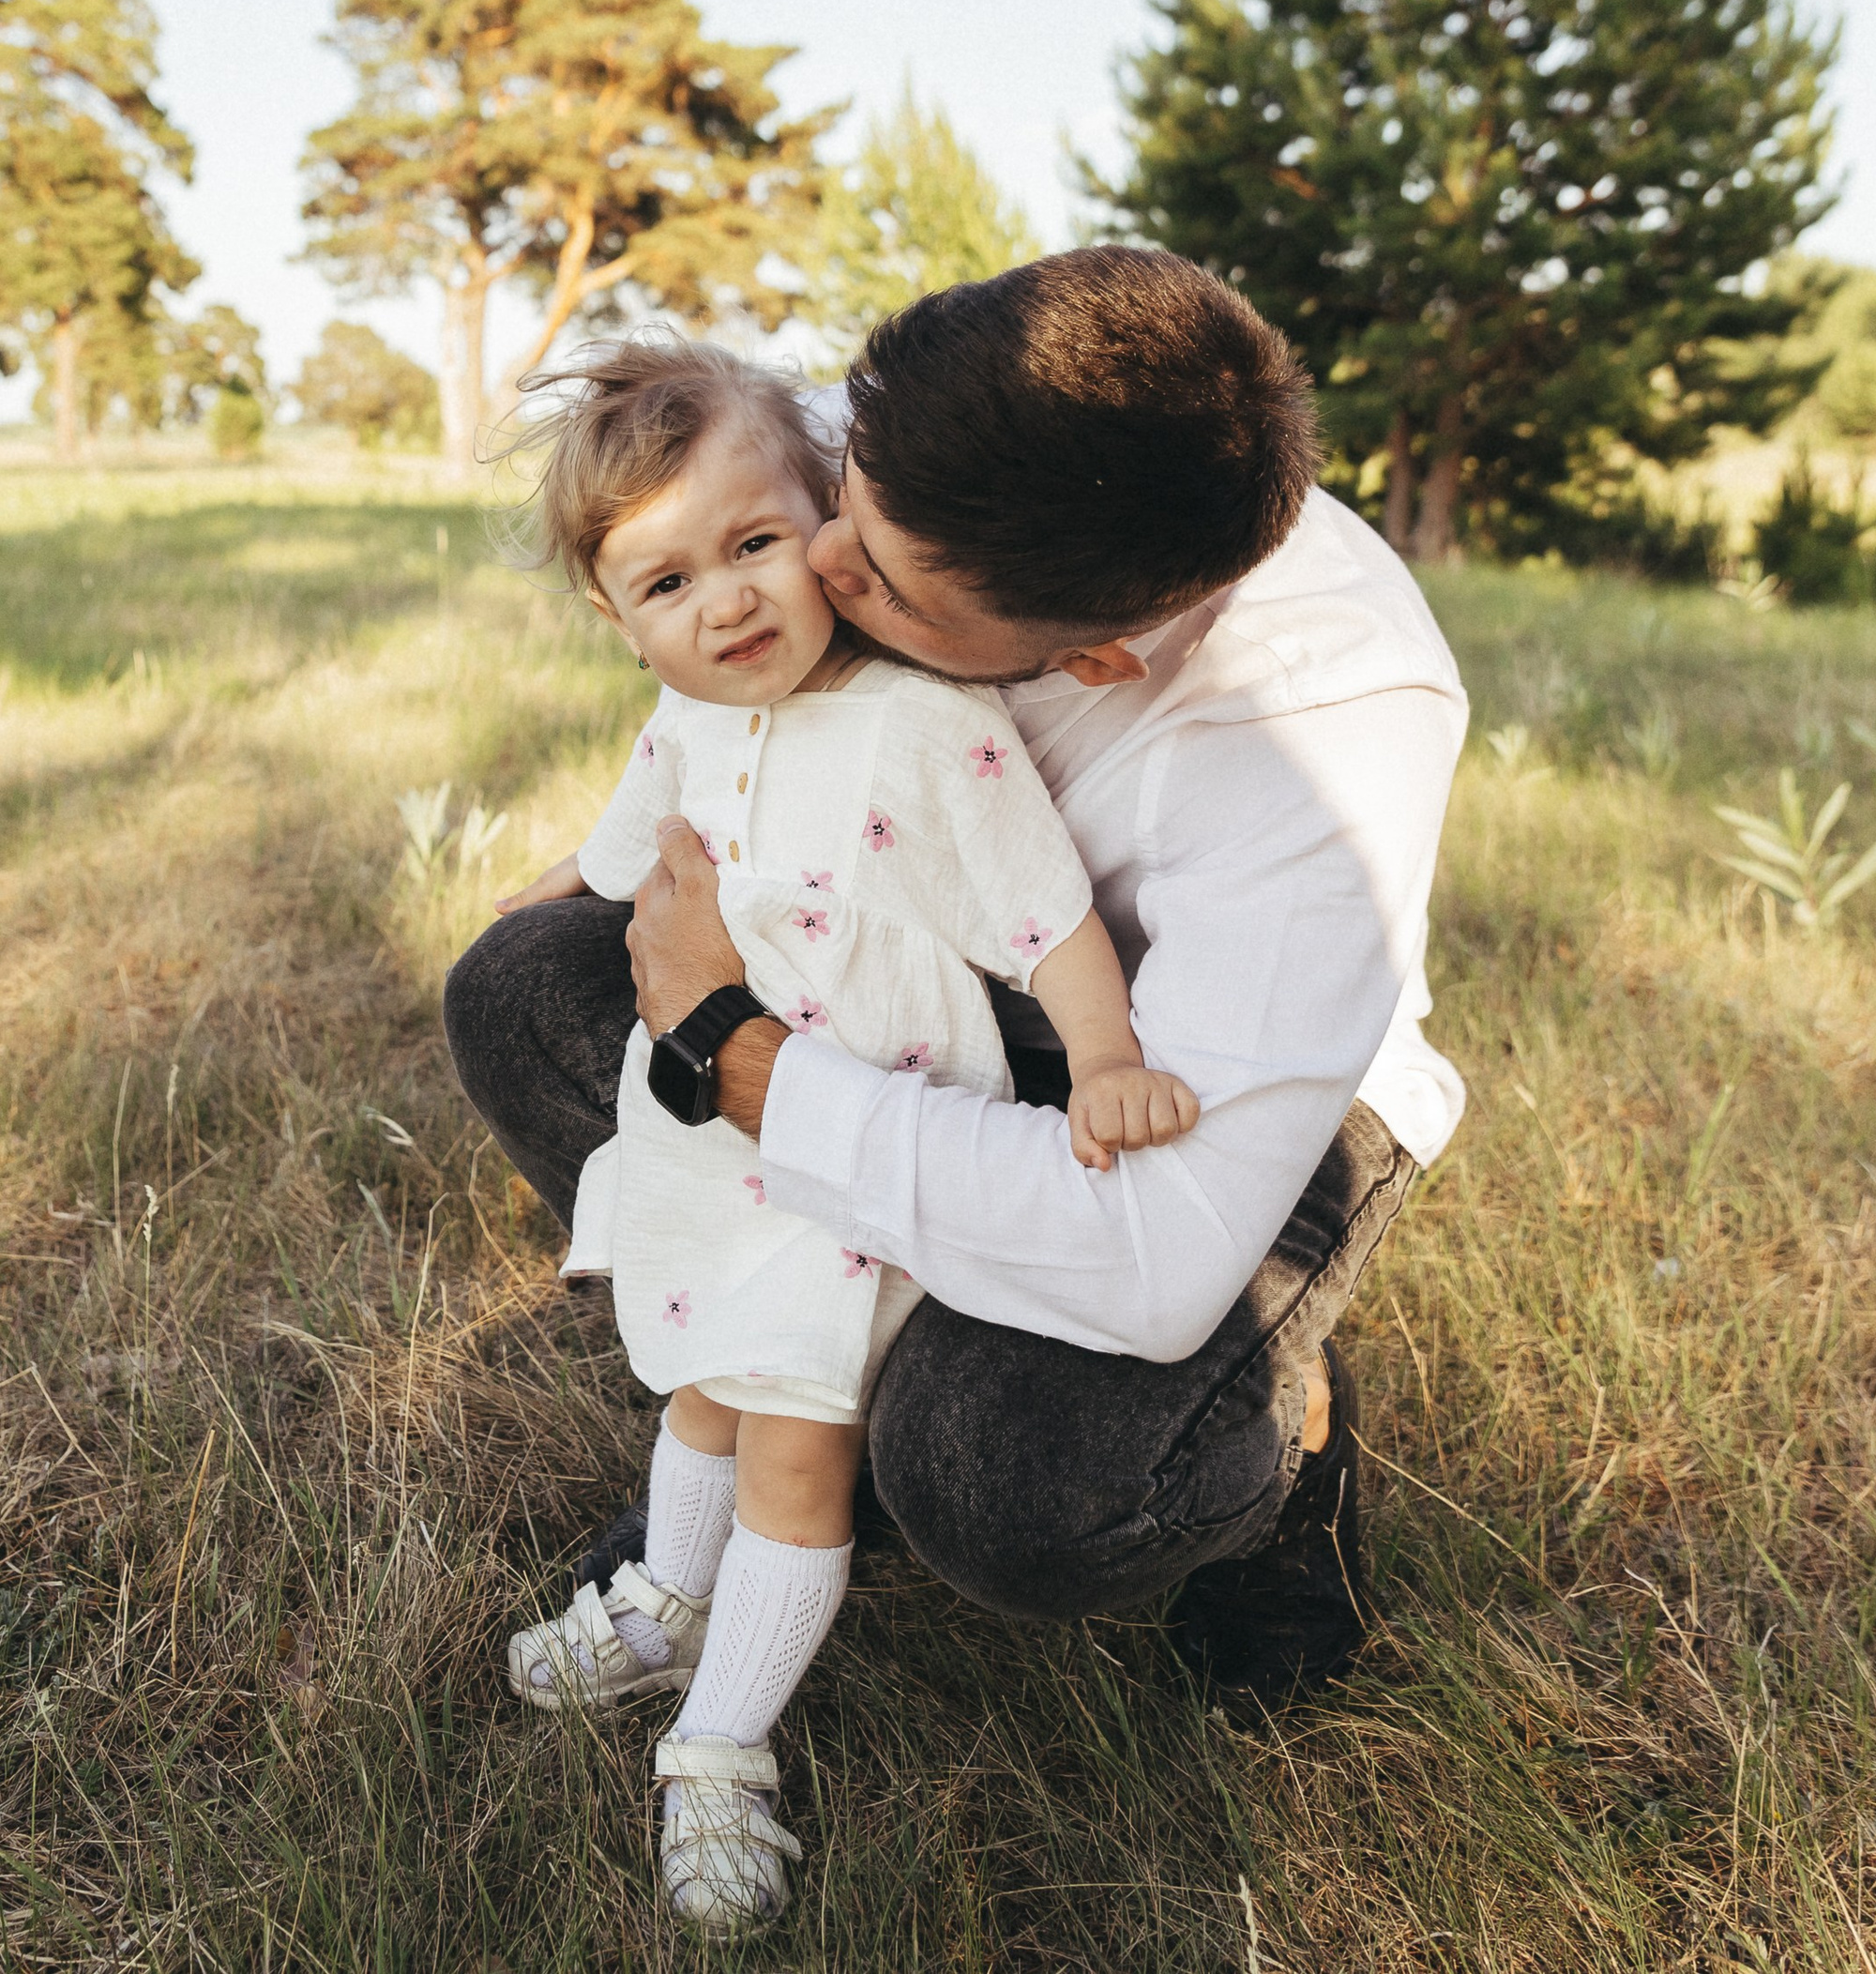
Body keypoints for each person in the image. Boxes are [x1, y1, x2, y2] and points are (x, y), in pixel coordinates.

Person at [447, 247, 1466, 1805]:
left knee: (1010, 1480)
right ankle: (786, 1388)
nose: (820, 566)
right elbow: (713, 660)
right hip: (892, 967)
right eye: (840, 492)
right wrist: (577, 893)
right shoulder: (969, 425)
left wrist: (738, 1060)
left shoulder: (1328, 746)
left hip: (1178, 1085)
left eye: (883, 578)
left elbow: (1152, 1253)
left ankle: (1284, 1435)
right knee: (523, 993)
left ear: (1095, 661)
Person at [489, 332, 1199, 1933]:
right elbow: (617, 854)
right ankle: (674, 1598)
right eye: (666, 585)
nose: (724, 603)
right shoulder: (684, 723)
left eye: (753, 545)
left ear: (822, 518)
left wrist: (1102, 1056)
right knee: (700, 1391)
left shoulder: (921, 728)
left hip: (853, 1154)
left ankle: (721, 1745)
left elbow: (1045, 918)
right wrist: (544, 902)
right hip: (703, 1139)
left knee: (796, 1457)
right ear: (618, 625)